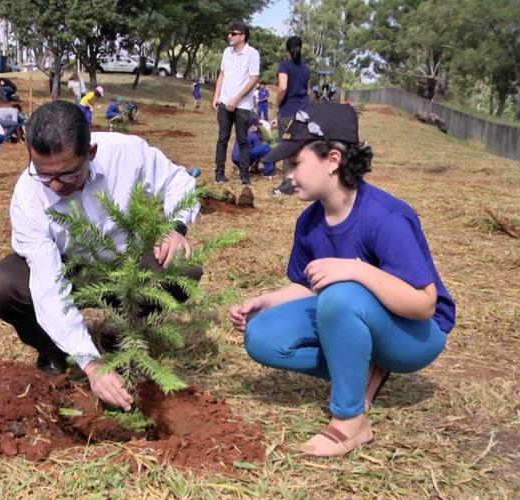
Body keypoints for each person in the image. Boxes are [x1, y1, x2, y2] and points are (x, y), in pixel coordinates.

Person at [230, 103, 454, 457]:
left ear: (332, 159)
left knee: (341, 295)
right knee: (262, 336)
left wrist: (355, 269)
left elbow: (424, 304)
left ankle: (351, 422)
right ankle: (363, 366)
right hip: (353, 313)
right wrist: (265, 300)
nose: (287, 173)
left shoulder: (386, 217)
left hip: (415, 336)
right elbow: (306, 286)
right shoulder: (309, 222)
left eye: (295, 162)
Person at [0, 101, 202, 411]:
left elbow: (179, 181)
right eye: (45, 175)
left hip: (126, 263)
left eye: (67, 175)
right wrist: (91, 365)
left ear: (91, 153)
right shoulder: (28, 197)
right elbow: (48, 286)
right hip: (65, 268)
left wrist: (175, 226)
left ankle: (121, 331)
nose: (55, 186)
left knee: (183, 267)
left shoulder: (126, 154)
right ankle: (52, 348)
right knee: (2, 287)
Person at [213, 21, 260, 184]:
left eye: (233, 34)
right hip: (225, 103)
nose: (229, 36)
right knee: (222, 139)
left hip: (242, 106)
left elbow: (254, 79)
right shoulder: (227, 52)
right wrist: (216, 95)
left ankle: (244, 176)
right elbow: (222, 75)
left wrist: (236, 99)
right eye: (229, 33)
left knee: (243, 140)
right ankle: (219, 173)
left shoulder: (253, 54)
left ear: (243, 36)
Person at [272, 35, 311, 196]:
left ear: (287, 49)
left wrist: (278, 106)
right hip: (304, 112)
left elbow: (282, 88)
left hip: (288, 112)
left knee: (287, 149)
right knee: (301, 148)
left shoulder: (284, 66)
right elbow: (308, 91)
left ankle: (287, 186)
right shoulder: (306, 68)